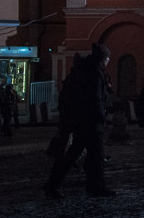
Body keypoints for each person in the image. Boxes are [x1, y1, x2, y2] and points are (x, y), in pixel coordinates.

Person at [45, 44, 114, 199]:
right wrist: (101, 117)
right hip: (91, 121)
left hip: (82, 121)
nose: (109, 60)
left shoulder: (85, 70)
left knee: (74, 154)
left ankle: (53, 184)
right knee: (95, 156)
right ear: (103, 58)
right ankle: (96, 187)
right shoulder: (94, 72)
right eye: (108, 58)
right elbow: (95, 98)